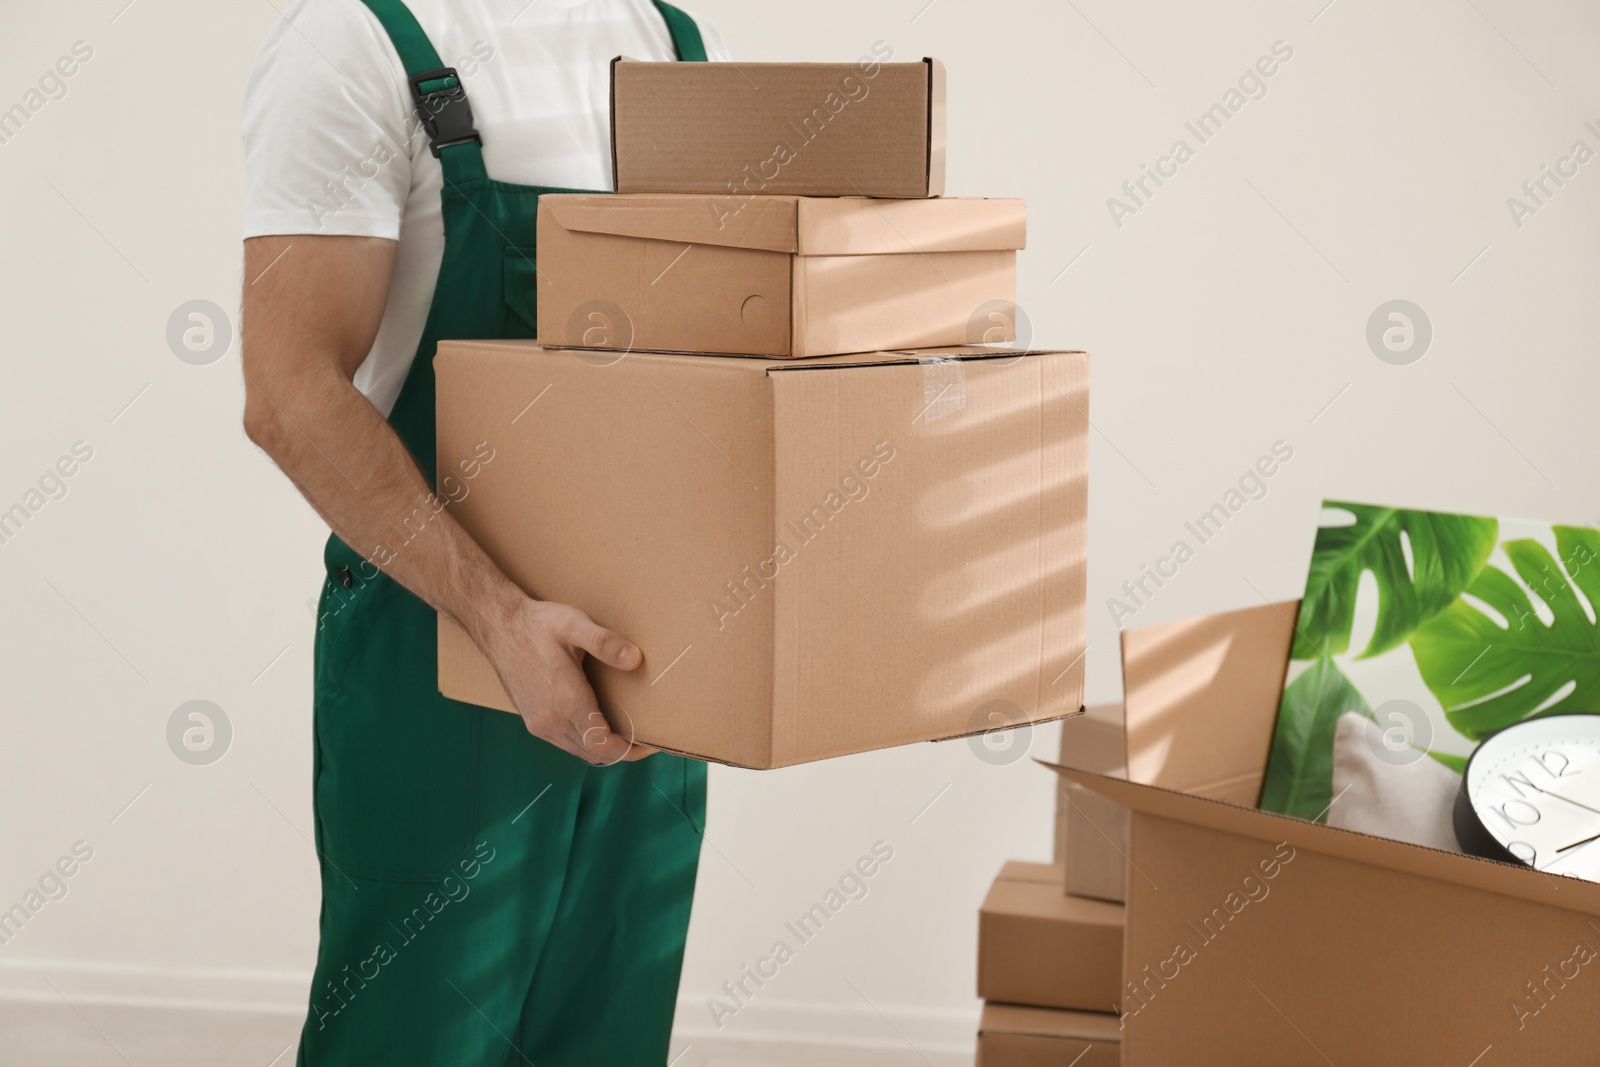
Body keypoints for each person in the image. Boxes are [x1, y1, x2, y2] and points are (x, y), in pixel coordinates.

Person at [238, 2, 728, 1063]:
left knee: (610, 1030)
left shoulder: (675, 41)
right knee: (414, 1038)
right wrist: (503, 623)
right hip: (441, 653)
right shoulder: (359, 42)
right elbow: (288, 392)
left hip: (648, 659)